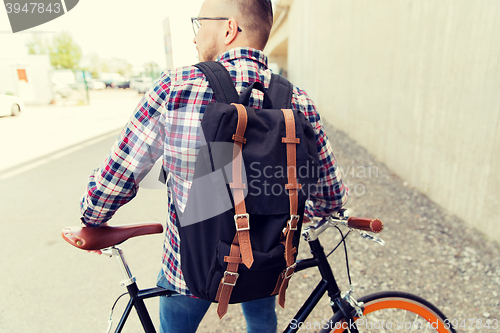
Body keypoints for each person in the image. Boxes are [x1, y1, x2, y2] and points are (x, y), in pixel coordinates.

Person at [79, 0, 348, 332]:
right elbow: (331, 195)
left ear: (228, 28)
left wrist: (91, 218)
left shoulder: (176, 87)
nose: (195, 37)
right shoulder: (299, 101)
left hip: (189, 267)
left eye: (199, 23)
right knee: (262, 318)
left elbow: (120, 175)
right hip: (264, 258)